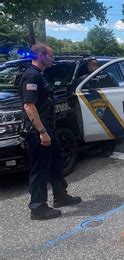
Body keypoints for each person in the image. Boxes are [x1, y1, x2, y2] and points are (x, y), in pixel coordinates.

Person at [20, 43, 81, 220]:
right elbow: (29, 106)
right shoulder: (31, 76)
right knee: (41, 169)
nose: (53, 58)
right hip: (38, 131)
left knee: (56, 162)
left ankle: (60, 196)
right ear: (41, 55)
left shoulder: (40, 75)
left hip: (49, 129)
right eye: (51, 55)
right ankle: (38, 207)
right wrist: (41, 131)